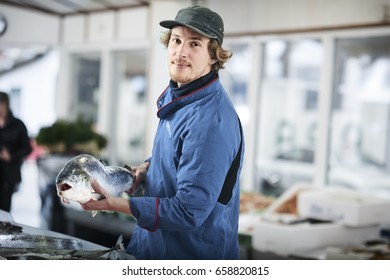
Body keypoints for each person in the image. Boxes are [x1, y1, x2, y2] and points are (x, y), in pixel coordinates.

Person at [82, 5, 244, 259]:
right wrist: (147, 169)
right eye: (177, 40)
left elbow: (189, 211)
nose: (180, 52)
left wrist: (118, 204)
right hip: (152, 246)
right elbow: (177, 155)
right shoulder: (182, 96)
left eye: (195, 44)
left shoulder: (211, 120)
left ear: (213, 56)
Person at [0, 91, 32, 212]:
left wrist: (11, 156)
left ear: (6, 105)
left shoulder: (18, 125)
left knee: (4, 209)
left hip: (9, 174)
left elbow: (27, 148)